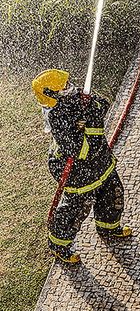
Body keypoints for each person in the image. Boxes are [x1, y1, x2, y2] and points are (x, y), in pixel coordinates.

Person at [33, 69, 131, 264]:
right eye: (64, 87)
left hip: (101, 163)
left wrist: (90, 105)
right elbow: (85, 150)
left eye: (68, 84)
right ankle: (59, 244)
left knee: (112, 193)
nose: (71, 88)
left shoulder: (76, 96)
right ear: (52, 96)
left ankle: (107, 225)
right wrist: (91, 119)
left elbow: (103, 104)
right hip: (78, 172)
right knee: (76, 208)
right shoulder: (58, 120)